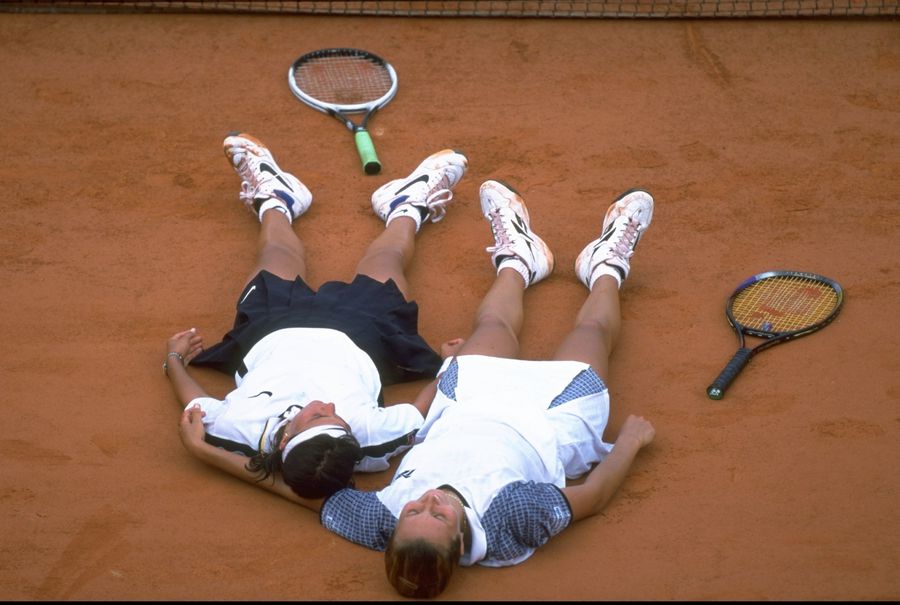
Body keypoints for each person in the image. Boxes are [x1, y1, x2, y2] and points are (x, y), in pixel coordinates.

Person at [179, 178, 656, 599]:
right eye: (439, 515)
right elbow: (591, 497)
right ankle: (607, 267)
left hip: (464, 407)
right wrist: (629, 444)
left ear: (394, 530)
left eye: (414, 511)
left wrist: (210, 455)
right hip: (552, 422)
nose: (428, 501)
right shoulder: (514, 520)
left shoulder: (379, 522)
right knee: (591, 337)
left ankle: (518, 260)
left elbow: (300, 493)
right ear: (460, 541)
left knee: (491, 324)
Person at [164, 132, 468, 500]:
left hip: (270, 332)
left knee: (275, 254)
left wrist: (174, 359)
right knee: (386, 263)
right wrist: (450, 366)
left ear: (285, 438)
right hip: (364, 338)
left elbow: (195, 403)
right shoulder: (369, 438)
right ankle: (407, 207)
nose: (328, 406)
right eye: (337, 418)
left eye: (317, 416)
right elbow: (419, 412)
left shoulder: (236, 428)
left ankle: (276, 199)